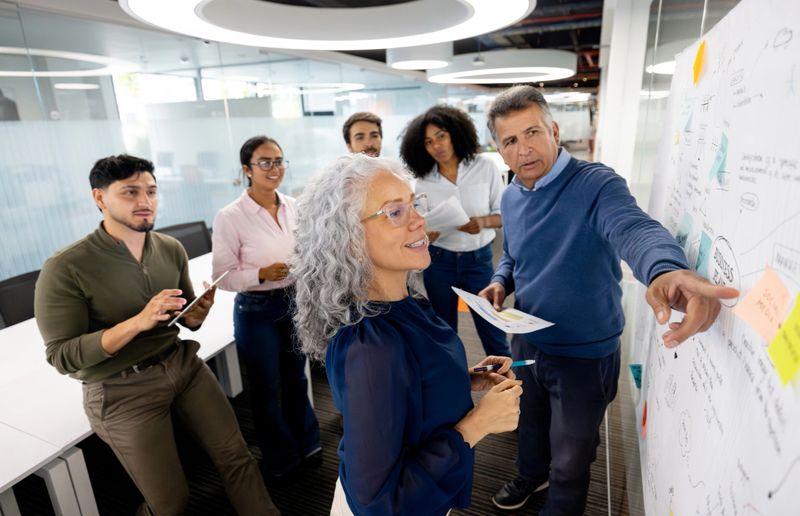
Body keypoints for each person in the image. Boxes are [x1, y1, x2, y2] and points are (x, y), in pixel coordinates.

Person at [479, 85, 740, 515]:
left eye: (533, 133)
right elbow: (512, 253)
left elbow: (633, 228)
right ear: (501, 151)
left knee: (571, 457)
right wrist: (499, 280)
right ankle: (530, 474)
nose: (524, 149)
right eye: (511, 141)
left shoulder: (595, 184)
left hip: (584, 354)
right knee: (528, 424)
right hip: (526, 342)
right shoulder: (510, 196)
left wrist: (663, 268)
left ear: (555, 130)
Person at [34, 154, 279, 516]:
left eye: (151, 191)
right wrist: (137, 322)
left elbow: (182, 322)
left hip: (181, 364)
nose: (145, 202)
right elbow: (62, 356)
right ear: (99, 198)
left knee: (238, 458)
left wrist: (197, 314)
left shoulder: (169, 248)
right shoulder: (66, 267)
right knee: (169, 503)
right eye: (130, 192)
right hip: (120, 389)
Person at [290, 154, 523, 516]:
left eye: (414, 205)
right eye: (395, 213)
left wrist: (461, 380)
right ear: (350, 239)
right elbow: (380, 504)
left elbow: (402, 393)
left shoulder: (407, 304)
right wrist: (479, 424)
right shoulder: (371, 346)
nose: (419, 221)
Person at [212, 135, 321, 479]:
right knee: (265, 387)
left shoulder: (294, 205)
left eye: (278, 161)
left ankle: (308, 443)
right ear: (247, 170)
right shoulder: (230, 216)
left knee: (295, 377)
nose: (274, 169)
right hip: (256, 309)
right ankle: (280, 456)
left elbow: (307, 249)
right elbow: (222, 276)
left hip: (293, 300)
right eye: (265, 162)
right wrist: (260, 273)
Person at [399, 105, 510, 357]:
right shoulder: (422, 180)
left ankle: (512, 390)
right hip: (440, 263)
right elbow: (418, 224)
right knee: (444, 333)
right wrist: (426, 235)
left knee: (493, 330)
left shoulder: (485, 167)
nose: (436, 145)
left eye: (441, 135)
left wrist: (480, 222)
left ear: (455, 134)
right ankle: (455, 390)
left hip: (479, 261)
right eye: (428, 141)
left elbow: (504, 215)